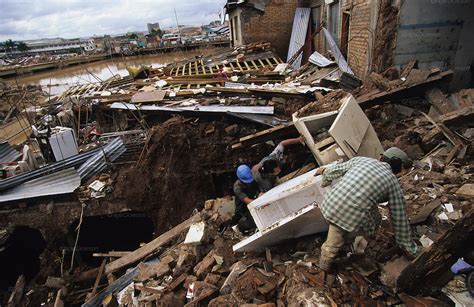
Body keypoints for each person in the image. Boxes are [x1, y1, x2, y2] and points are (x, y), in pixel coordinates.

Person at [315, 147, 416, 272]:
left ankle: (350, 238)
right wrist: (408, 246)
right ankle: (325, 266)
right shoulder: (393, 182)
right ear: (398, 166)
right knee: (334, 240)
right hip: (345, 213)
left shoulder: (362, 160)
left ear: (381, 157)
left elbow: (335, 170)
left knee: (376, 216)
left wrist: (324, 174)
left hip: (328, 203)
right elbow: (399, 218)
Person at [229, 164, 260, 234]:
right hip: (243, 208)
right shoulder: (237, 187)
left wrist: (260, 195)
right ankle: (239, 226)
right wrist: (260, 202)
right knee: (253, 222)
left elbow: (258, 191)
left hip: (254, 201)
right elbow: (247, 200)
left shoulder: (252, 178)